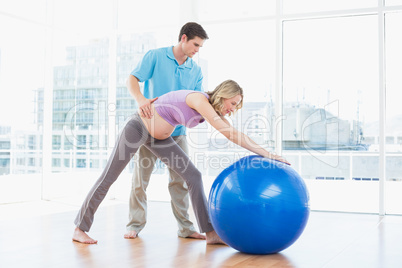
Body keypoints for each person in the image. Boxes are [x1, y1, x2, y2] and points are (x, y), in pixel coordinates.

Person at [72, 79, 290, 244]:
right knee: (109, 177)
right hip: (137, 128)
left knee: (193, 175)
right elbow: (229, 134)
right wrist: (267, 154)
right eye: (233, 103)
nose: (233, 109)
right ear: (223, 95)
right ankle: (80, 229)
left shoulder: (211, 110)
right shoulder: (199, 100)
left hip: (160, 138)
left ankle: (210, 232)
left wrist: (265, 152)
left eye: (237, 106)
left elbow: (234, 132)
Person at [125, 22, 208, 240]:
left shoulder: (195, 70)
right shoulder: (156, 56)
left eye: (200, 47)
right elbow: (132, 79)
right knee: (140, 179)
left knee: (180, 179)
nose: (197, 50)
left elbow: (197, 101)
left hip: (178, 132)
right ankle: (134, 224)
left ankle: (186, 228)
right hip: (150, 127)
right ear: (183, 38)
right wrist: (141, 99)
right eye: (195, 45)